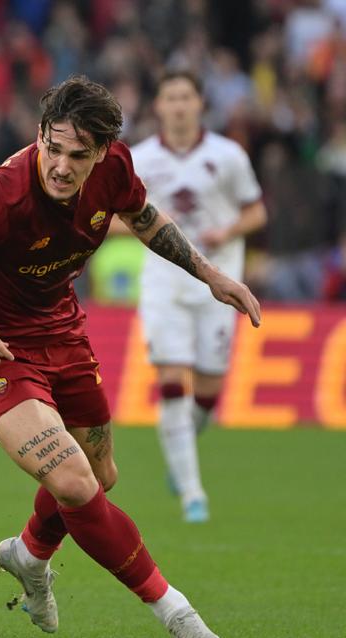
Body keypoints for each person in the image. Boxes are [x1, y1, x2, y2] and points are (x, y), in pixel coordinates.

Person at [0, 75, 261, 638]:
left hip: (61, 332)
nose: (61, 165)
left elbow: (144, 220)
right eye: (53, 148)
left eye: (77, 155)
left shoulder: (116, 166)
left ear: (102, 152)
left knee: (100, 473)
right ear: (39, 135)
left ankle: (31, 554)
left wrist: (212, 275)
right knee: (71, 481)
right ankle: (177, 614)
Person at [129, 71, 266, 522]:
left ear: (200, 103)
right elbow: (118, 216)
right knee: (170, 381)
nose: (179, 105)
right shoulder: (141, 159)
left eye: (187, 96)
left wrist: (226, 230)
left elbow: (256, 211)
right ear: (159, 106)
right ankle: (193, 492)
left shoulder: (227, 155)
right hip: (164, 282)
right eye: (171, 97)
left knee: (208, 390)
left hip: (219, 282)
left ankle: (181, 446)